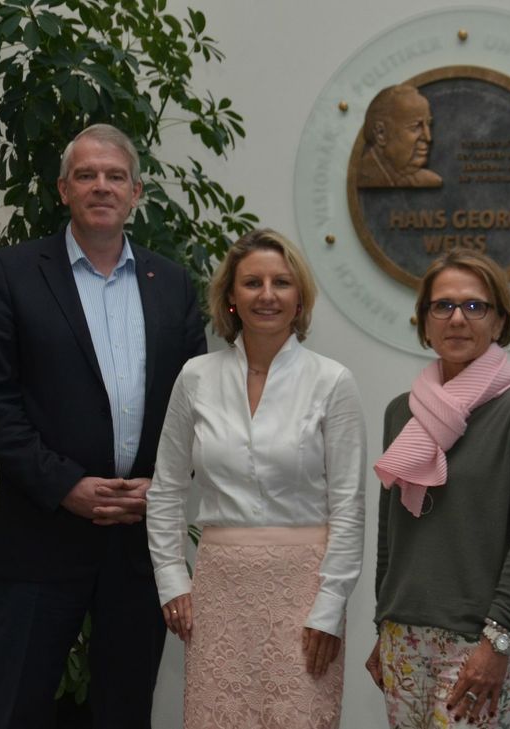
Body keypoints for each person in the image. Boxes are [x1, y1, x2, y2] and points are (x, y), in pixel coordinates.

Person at [0, 123, 206, 729]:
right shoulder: (13, 273)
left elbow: (194, 407)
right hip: (43, 532)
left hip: (137, 537)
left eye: (115, 176)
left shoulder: (173, 284)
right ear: (63, 190)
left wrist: (163, 485)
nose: (102, 186)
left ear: (136, 192)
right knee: (17, 705)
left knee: (124, 710)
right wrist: (65, 486)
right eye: (87, 174)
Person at [146, 229, 366, 729]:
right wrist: (171, 579)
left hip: (306, 592)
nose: (267, 294)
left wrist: (330, 606)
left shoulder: (333, 382)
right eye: (252, 283)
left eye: (281, 282)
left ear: (299, 299)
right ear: (230, 298)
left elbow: (349, 506)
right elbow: (166, 492)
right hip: (219, 589)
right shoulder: (195, 377)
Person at [366, 250, 510, 728]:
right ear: (425, 322)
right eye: (443, 305)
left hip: (480, 640)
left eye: (475, 306)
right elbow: (392, 532)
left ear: (499, 323)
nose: (457, 318)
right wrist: (382, 620)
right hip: (402, 634)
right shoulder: (400, 412)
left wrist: (497, 644)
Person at [357, 84, 443, 188]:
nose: (428, 137)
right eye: (415, 127)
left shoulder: (430, 181)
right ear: (381, 133)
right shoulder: (360, 177)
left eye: (428, 124)